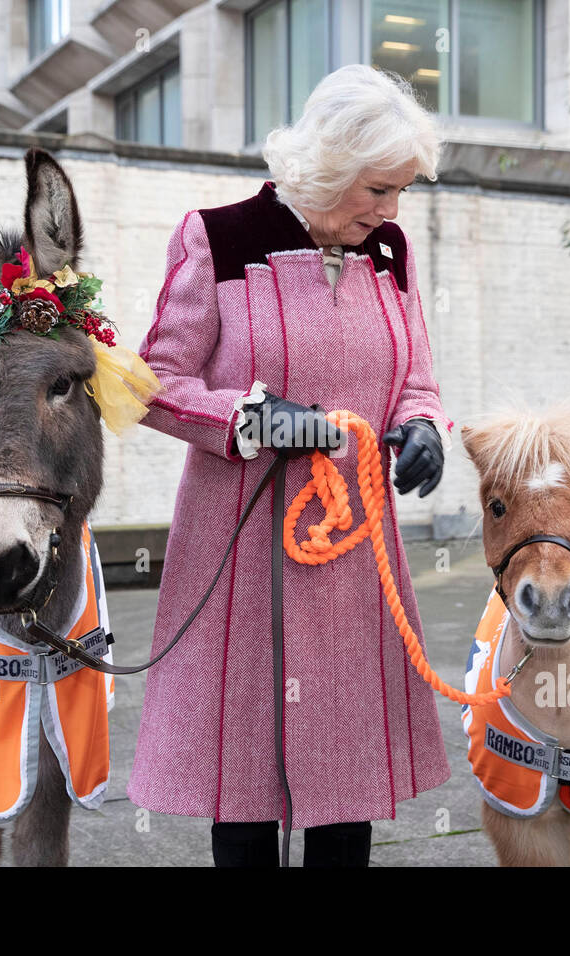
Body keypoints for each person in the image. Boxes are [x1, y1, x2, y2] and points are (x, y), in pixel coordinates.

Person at [130, 64, 452, 867]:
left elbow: (415, 374)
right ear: (332, 168)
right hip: (240, 544)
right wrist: (253, 416)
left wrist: (423, 427)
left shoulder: (389, 249)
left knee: (349, 770)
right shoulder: (217, 237)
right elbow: (153, 384)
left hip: (351, 545)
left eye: (400, 193)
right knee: (243, 766)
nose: (390, 211)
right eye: (380, 190)